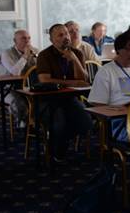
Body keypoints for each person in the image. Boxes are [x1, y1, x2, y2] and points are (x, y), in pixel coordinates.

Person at [36, 24, 92, 160]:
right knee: (60, 122)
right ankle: (56, 150)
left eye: (66, 33)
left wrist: (74, 60)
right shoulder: (45, 55)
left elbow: (84, 80)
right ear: (52, 40)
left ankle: (61, 141)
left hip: (69, 98)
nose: (66, 37)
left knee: (86, 121)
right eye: (60, 35)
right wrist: (73, 83)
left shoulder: (77, 53)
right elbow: (44, 80)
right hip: (49, 100)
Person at [0, 30, 38, 124]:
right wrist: (25, 56)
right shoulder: (7, 54)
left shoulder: (36, 51)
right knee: (18, 102)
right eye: (23, 38)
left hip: (27, 86)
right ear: (15, 41)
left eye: (29, 38)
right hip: (5, 87)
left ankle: (37, 123)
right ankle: (23, 124)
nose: (27, 41)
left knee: (43, 99)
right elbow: (15, 73)